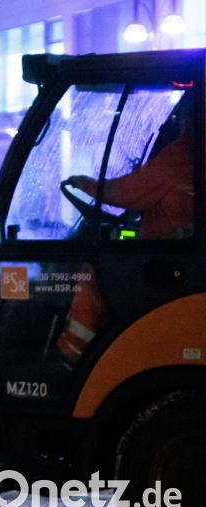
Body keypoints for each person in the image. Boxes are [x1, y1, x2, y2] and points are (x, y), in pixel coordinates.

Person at [56, 95, 195, 361]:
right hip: (175, 258)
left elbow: (126, 193)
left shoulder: (183, 155)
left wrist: (87, 183)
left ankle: (71, 356)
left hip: (162, 263)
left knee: (90, 274)